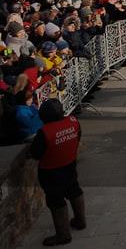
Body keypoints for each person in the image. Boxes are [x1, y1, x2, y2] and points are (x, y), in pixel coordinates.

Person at [29, 99, 85, 246]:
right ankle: (80, 220)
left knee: (55, 200)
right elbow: (78, 137)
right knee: (74, 190)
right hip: (69, 165)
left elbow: (35, 153)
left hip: (51, 171)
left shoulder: (45, 132)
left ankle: (63, 234)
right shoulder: (73, 121)